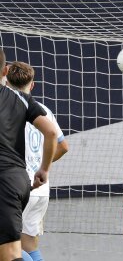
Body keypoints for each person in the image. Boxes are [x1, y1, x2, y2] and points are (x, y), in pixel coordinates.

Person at [6, 61, 69, 261]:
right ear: (32, 85)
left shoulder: (7, 106)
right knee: (30, 245)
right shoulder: (43, 110)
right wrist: (43, 168)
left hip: (15, 185)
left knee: (8, 247)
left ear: (5, 80)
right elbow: (63, 146)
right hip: (40, 188)